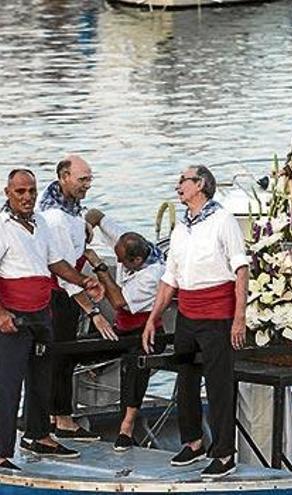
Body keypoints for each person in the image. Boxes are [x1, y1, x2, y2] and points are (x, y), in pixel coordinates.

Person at [142, 165, 249, 479]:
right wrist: (153, 318)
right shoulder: (181, 228)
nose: (178, 186)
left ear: (200, 184)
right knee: (185, 379)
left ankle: (225, 453)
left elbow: (241, 269)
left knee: (218, 385)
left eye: (182, 181)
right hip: (188, 313)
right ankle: (193, 442)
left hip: (217, 314)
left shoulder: (223, 220)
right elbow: (170, 277)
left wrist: (239, 318)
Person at [1, 169, 104, 467]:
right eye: (20, 191)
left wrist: (83, 281)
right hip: (13, 314)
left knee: (41, 377)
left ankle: (39, 435)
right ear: (8, 193)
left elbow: (55, 262)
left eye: (31, 190)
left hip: (40, 312)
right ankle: (1, 452)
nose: (27, 197)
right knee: (8, 383)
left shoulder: (41, 222)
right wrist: (2, 314)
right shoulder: (2, 225)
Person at [37, 155, 111, 441]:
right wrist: (94, 312)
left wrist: (85, 228)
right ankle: (63, 420)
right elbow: (66, 276)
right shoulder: (55, 218)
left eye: (89, 179)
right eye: (82, 180)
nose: (87, 185)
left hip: (63, 286)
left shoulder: (59, 200)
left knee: (56, 357)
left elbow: (76, 223)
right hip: (59, 293)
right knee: (62, 356)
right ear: (64, 176)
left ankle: (54, 415)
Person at [84, 208, 166, 451]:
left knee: (135, 363)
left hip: (147, 330)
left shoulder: (153, 273)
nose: (118, 262)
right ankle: (60, 418)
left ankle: (127, 427)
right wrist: (84, 230)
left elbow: (119, 302)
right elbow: (95, 214)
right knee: (72, 350)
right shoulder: (126, 240)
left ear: (137, 261)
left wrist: (100, 268)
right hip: (119, 329)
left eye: (122, 261)